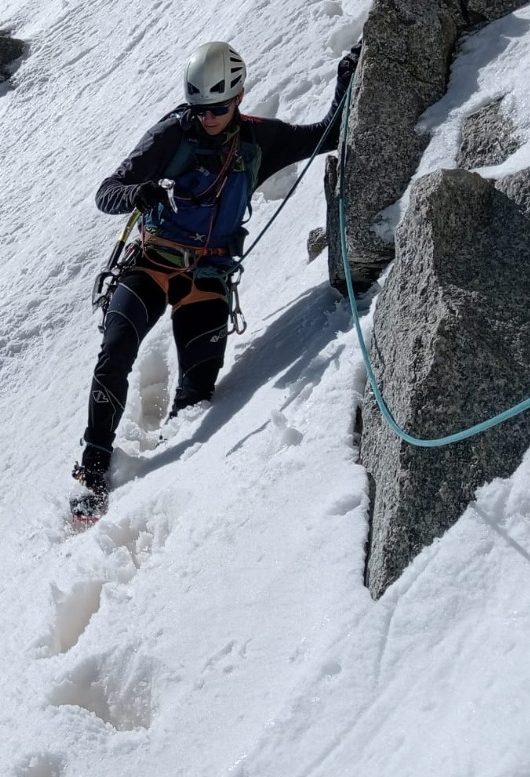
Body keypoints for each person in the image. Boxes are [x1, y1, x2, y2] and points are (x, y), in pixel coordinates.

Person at [72, 41, 355, 523]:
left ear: (239, 97)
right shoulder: (170, 135)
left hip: (208, 277)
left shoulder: (257, 141)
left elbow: (323, 135)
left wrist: (345, 87)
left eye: (218, 109)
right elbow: (107, 193)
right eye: (200, 109)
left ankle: (166, 475)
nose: (207, 118)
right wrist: (138, 192)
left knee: (198, 396)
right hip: (152, 263)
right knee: (115, 349)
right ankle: (95, 470)